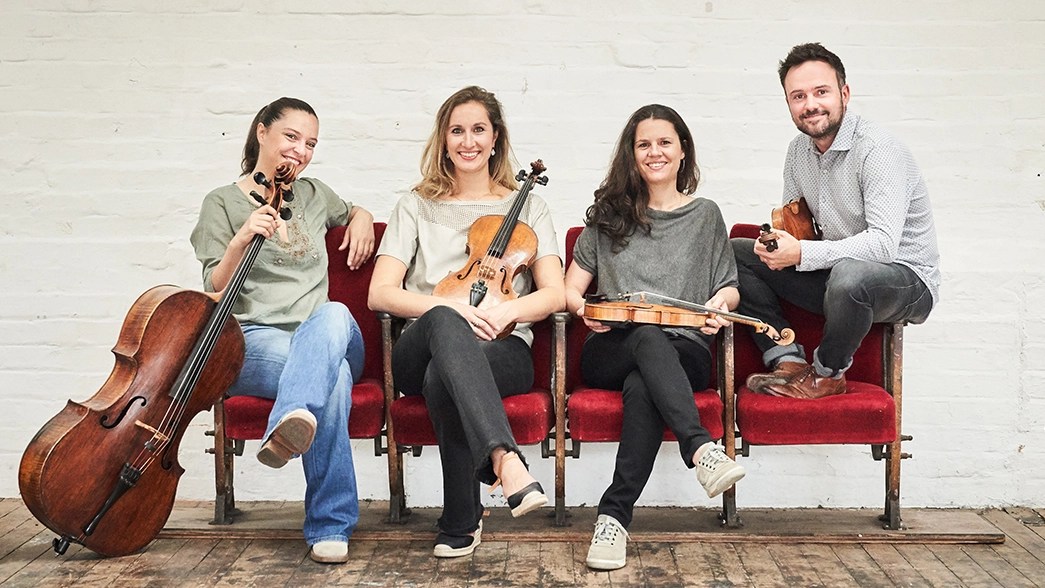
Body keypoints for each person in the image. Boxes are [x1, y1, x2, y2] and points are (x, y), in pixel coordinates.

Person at [367, 86, 564, 558]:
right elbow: (380, 292)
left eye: (479, 129)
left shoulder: (529, 206)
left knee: (445, 377)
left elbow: (556, 293)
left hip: (503, 347)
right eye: (457, 130)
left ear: (496, 137)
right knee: (442, 323)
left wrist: (511, 310)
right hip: (422, 342)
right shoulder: (414, 205)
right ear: (444, 138)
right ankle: (505, 458)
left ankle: (462, 518)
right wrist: (450, 309)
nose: (468, 141)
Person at [190, 97, 375, 564]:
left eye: (311, 143)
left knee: (332, 313)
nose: (301, 150)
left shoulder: (312, 194)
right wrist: (241, 238)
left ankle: (287, 422)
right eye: (291, 137)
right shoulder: (222, 203)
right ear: (262, 133)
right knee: (332, 383)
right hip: (253, 340)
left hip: (328, 336)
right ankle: (331, 527)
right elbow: (214, 287)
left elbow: (352, 210)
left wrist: (361, 219)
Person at [563, 104, 747, 571]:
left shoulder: (706, 216)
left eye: (665, 142)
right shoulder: (609, 217)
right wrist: (586, 311)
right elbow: (569, 289)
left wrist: (719, 309)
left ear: (683, 150)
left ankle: (613, 518)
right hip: (611, 349)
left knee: (646, 383)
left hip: (685, 351)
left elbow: (727, 287)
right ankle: (700, 448)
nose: (655, 152)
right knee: (645, 334)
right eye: (644, 144)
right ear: (632, 154)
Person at [733, 42, 940, 399]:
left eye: (821, 92)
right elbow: (798, 228)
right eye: (798, 96)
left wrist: (801, 254)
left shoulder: (878, 149)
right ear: (788, 104)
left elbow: (882, 245)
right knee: (736, 252)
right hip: (839, 278)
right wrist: (779, 245)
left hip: (904, 279)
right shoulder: (797, 152)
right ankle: (787, 359)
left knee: (850, 274)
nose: (810, 104)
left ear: (844, 93)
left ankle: (827, 375)